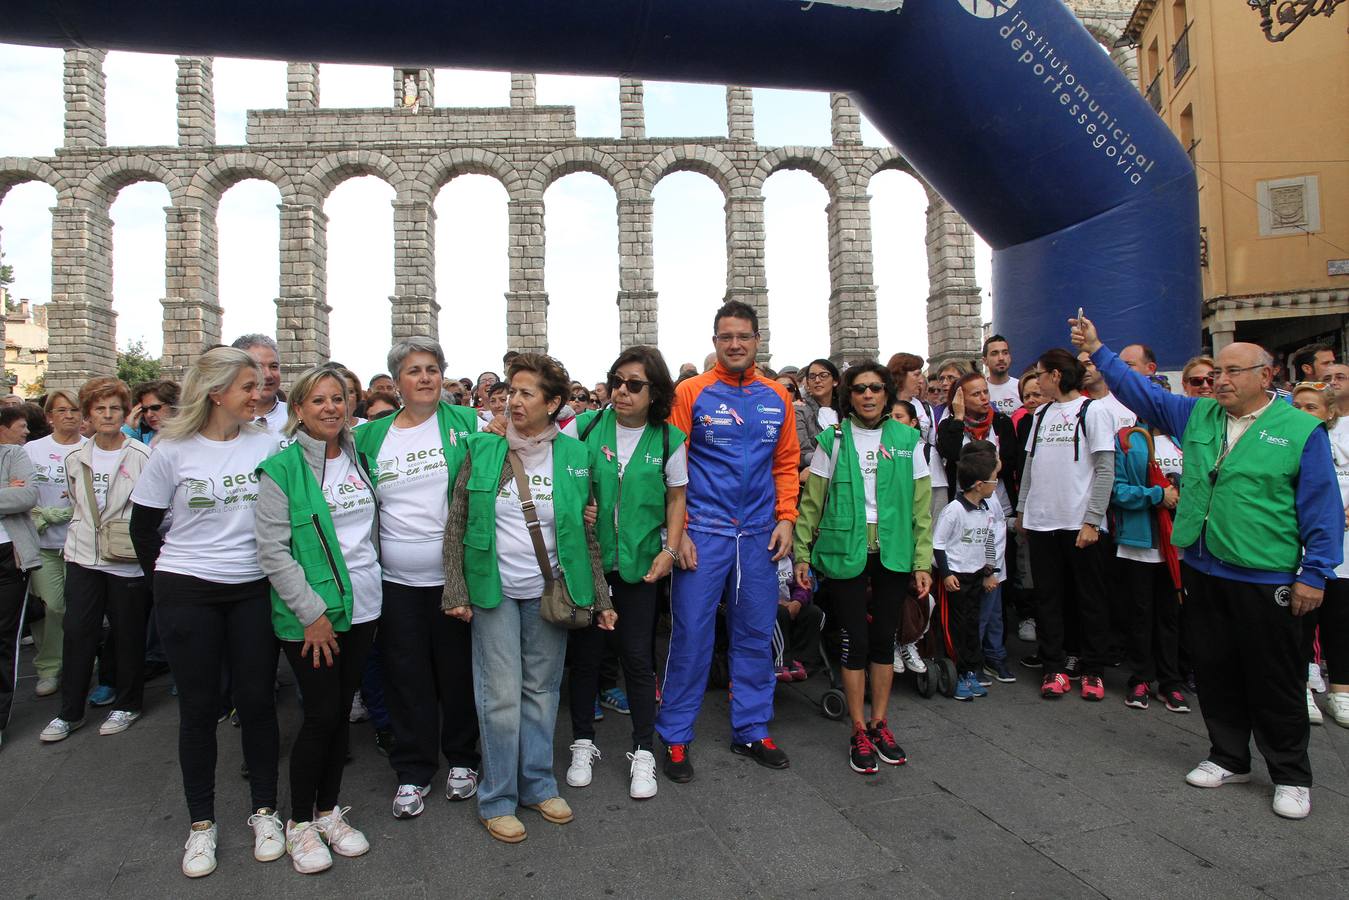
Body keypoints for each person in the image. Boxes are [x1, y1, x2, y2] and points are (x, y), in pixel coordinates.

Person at [1073, 313, 1341, 820]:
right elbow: (1141, 394)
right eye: (1217, 371)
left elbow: (1321, 507)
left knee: (1276, 678)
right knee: (1216, 671)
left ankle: (1290, 774)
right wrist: (1099, 350)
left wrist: (1315, 572)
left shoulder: (1301, 430)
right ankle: (1228, 757)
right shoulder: (1198, 416)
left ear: (1266, 376)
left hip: (1269, 576)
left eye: (1234, 371)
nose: (1221, 379)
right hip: (1204, 567)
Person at [442, 352, 614, 843]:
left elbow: (590, 535)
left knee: (541, 692)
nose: (512, 401)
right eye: (511, 391)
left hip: (550, 591)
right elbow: (456, 521)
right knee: (499, 697)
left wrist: (601, 598)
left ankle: (538, 785)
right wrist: (455, 589)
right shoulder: (483, 448)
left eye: (525, 393)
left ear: (554, 403)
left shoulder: (577, 457)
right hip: (492, 591)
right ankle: (496, 797)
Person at [129, 346, 283, 877]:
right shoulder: (170, 450)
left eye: (260, 384)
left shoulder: (267, 442)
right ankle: (202, 825)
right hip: (187, 589)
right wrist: (171, 584)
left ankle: (265, 811)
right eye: (248, 385)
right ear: (216, 392)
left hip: (252, 587)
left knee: (257, 700)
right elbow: (142, 530)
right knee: (198, 709)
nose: (259, 394)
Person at [658, 300, 799, 782]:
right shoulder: (691, 392)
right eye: (725, 337)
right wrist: (677, 534)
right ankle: (675, 736)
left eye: (743, 336)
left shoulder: (777, 395)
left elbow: (785, 464)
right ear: (714, 342)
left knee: (756, 637)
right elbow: (672, 470)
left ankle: (752, 729)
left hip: (760, 536)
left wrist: (787, 518)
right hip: (703, 534)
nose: (734, 344)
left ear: (757, 340)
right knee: (692, 637)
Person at [255, 365, 379, 874]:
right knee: (322, 716)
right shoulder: (281, 469)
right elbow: (272, 552)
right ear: (299, 409)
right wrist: (312, 615)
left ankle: (328, 811)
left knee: (337, 715)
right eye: (319, 400)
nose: (331, 408)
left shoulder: (357, 455)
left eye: (339, 399)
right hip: (314, 617)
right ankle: (299, 821)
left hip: (365, 605)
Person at [352, 336, 482, 819]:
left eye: (432, 369)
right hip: (394, 581)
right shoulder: (369, 437)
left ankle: (464, 759)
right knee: (406, 676)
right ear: (396, 381)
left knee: (458, 673)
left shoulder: (467, 424)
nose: (425, 377)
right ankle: (412, 770)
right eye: (414, 370)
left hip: (454, 579)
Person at [793, 361, 931, 773]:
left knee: (884, 639)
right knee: (854, 639)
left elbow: (921, 509)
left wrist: (923, 561)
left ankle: (880, 723)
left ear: (887, 393)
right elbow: (811, 502)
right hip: (844, 551)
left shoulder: (909, 439)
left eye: (875, 388)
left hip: (894, 553)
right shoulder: (832, 440)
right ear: (847, 395)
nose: (867, 395)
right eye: (859, 389)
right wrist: (802, 553)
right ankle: (857, 728)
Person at [567, 346, 688, 800]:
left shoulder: (668, 439)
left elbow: (676, 499)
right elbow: (561, 478)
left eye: (634, 384)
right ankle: (583, 742)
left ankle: (643, 751)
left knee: (638, 659)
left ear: (654, 391)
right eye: (616, 381)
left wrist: (670, 551)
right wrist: (580, 508)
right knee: (586, 655)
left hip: (640, 566)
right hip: (591, 563)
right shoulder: (585, 427)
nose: (621, 391)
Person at [38, 376, 153, 743]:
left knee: (128, 634)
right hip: (83, 556)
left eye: (114, 408)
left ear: (125, 412)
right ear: (89, 414)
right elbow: (75, 502)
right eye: (100, 409)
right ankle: (69, 711)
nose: (107, 415)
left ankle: (128, 702)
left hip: (126, 557)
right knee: (77, 633)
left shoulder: (142, 456)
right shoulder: (76, 458)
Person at [1015, 349, 1117, 701]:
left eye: (1041, 374)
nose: (1037, 380)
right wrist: (1022, 511)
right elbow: (1030, 466)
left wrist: (1092, 520)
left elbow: (1105, 469)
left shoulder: (1094, 411)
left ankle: (1093, 670)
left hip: (1079, 524)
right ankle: (1053, 667)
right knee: (1048, 598)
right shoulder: (1040, 414)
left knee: (1090, 599)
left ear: (1056, 375)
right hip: (1043, 522)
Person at [1110, 406, 1189, 715]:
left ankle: (1171, 682)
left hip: (1178, 543)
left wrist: (1179, 490)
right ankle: (1140, 677)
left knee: (1171, 617)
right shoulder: (1129, 440)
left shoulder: (1186, 440)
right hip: (1139, 542)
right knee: (1140, 614)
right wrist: (1158, 495)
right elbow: (1117, 491)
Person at [26, 390, 87, 697]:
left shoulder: (91, 449)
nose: (69, 415)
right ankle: (49, 667)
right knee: (54, 605)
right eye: (61, 410)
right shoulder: (32, 450)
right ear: (49, 416)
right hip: (42, 542)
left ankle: (79, 665)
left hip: (81, 543)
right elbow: (21, 493)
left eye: (74, 410)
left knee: (78, 610)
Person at [934, 445, 1001, 701]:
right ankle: (956, 672)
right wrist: (947, 573)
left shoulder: (985, 509)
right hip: (956, 578)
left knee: (972, 625)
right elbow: (939, 544)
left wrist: (989, 572)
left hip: (975, 576)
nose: (996, 484)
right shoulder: (954, 510)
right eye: (993, 480)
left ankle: (970, 671)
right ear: (978, 484)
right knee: (955, 627)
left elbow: (988, 541)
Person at [1289, 382, 1336, 725]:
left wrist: (1316, 568)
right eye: (1298, 406)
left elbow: (1322, 501)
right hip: (1286, 553)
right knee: (1296, 627)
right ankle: (1299, 684)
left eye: (1311, 407)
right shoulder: (1285, 440)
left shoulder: (1320, 442)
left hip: (1320, 559)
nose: (1302, 413)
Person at [0, 421, 39, 748]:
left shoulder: (12, 454)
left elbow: (26, 495)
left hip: (7, 558)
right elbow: (12, 495)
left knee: (3, 637)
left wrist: (15, 492)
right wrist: (4, 490)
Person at [1317, 366, 1349, 727]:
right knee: (1301, 619)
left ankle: (1341, 691)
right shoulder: (1299, 434)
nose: (1332, 381)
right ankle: (1304, 686)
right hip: (1302, 542)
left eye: (1340, 376)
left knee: (1341, 616)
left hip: (1344, 542)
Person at [795, 358, 842, 480]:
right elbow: (802, 452)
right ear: (807, 384)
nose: (817, 380)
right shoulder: (799, 411)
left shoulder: (847, 411)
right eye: (812, 376)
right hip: (816, 477)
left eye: (823, 375)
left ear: (835, 381)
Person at [231, 334, 287, 433]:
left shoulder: (298, 416)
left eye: (273, 366)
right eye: (258, 367)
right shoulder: (226, 420)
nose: (268, 375)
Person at [123, 380, 180, 444]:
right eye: (144, 409)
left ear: (173, 405)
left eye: (155, 408)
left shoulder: (187, 435)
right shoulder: (140, 433)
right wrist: (128, 428)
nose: (149, 415)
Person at [982, 335, 1021, 417]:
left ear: (1010, 357)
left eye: (1005, 353)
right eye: (994, 354)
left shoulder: (1021, 387)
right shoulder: (980, 389)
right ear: (985, 361)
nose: (1001, 358)